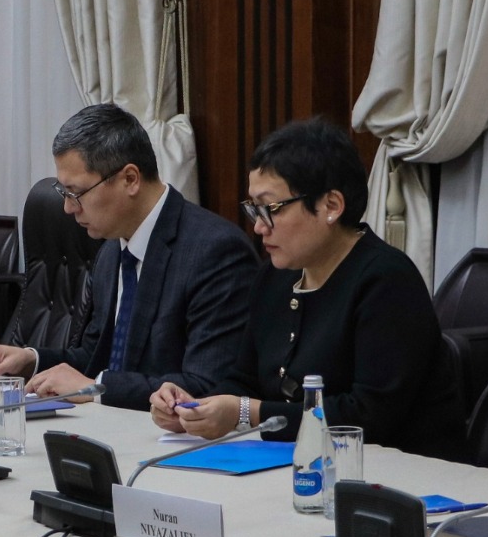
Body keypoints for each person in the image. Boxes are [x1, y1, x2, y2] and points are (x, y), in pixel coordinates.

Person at [149, 119, 467, 459]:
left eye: (270, 209)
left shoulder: (387, 280)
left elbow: (368, 417)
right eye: (254, 209)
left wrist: (246, 412)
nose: (258, 227)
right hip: (298, 462)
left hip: (397, 472)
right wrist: (196, 408)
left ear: (331, 206)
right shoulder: (275, 276)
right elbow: (244, 380)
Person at [0, 103, 257, 410]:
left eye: (76, 193)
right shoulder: (111, 251)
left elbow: (207, 385)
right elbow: (96, 357)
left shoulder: (215, 252)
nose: (68, 208)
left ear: (130, 179)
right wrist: (32, 360)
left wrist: (96, 389)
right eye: (64, 193)